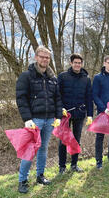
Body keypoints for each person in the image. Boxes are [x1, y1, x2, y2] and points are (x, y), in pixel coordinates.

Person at [15, 46, 62, 193]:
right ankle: (23, 180)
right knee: (29, 150)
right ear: (36, 57)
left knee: (43, 149)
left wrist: (58, 116)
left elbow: (57, 98)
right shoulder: (26, 76)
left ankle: (40, 175)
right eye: (42, 56)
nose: (44, 59)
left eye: (47, 57)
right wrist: (27, 118)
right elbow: (21, 98)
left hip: (49, 120)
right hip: (34, 120)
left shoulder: (52, 78)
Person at [57, 53, 93, 174]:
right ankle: (62, 166)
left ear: (81, 64)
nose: (77, 65)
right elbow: (57, 95)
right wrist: (60, 108)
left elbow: (89, 97)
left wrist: (90, 115)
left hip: (79, 113)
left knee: (77, 139)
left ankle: (74, 164)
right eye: (75, 63)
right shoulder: (62, 76)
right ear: (71, 63)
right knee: (63, 140)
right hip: (65, 114)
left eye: (79, 63)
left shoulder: (86, 79)